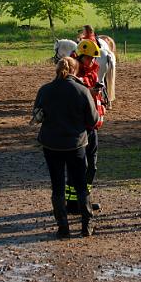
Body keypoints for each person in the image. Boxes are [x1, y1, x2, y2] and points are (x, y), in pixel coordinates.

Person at [33, 56, 100, 238]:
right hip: (75, 143)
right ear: (74, 70)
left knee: (57, 186)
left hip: (51, 144)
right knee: (80, 184)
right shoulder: (82, 90)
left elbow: (37, 116)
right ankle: (87, 226)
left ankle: (63, 228)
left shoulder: (45, 90)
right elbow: (93, 120)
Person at [65, 40, 105, 212]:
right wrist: (89, 92)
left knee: (92, 166)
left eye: (93, 58)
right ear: (80, 57)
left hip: (92, 126)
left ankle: (84, 199)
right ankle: (73, 203)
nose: (92, 62)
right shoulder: (72, 75)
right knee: (79, 166)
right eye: (89, 58)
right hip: (80, 128)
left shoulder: (92, 74)